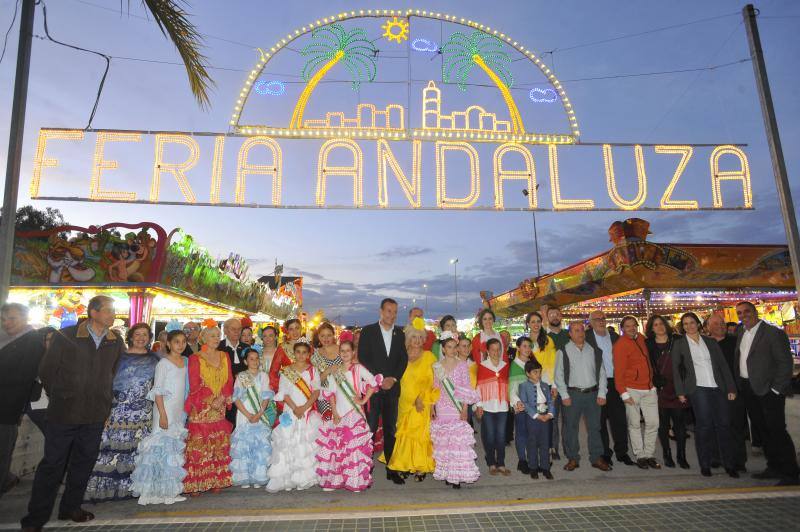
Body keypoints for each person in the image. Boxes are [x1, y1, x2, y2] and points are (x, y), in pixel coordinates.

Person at [22, 296, 124, 530]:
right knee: (53, 465)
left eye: (113, 311)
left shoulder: (115, 341)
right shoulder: (66, 335)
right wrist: (62, 395)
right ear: (94, 312)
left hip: (95, 414)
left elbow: (114, 372)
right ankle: (35, 517)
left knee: (83, 463)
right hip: (64, 413)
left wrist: (105, 399)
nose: (112, 315)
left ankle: (71, 507)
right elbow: (47, 370)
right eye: (108, 310)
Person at [84, 323, 159, 502]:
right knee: (113, 450)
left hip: (144, 414)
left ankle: (135, 488)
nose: (141, 338)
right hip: (119, 411)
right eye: (137, 334)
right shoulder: (118, 358)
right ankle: (110, 489)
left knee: (139, 450)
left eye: (145, 335)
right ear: (131, 337)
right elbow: (107, 385)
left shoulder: (155, 359)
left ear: (150, 338)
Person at [735, 301, 799, 486]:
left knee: (777, 430)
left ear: (754, 312)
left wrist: (776, 389)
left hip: (769, 391)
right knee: (763, 431)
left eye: (746, 311)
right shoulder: (741, 332)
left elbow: (785, 363)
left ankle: (791, 472)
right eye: (739, 313)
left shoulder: (773, 333)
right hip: (749, 389)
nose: (743, 315)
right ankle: (774, 466)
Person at [672, 312, 738, 478]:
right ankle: (705, 464)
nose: (689, 326)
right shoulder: (679, 344)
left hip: (718, 387)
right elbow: (676, 370)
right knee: (704, 426)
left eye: (692, 322)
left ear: (698, 324)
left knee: (724, 425)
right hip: (698, 388)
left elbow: (723, 365)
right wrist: (680, 392)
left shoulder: (710, 341)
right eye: (685, 323)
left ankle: (729, 464)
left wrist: (731, 388)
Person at [130, 330, 189, 505]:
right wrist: (163, 414)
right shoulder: (163, 363)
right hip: (165, 410)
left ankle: (168, 491)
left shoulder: (184, 362)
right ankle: (151, 493)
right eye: (176, 342)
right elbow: (158, 391)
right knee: (160, 449)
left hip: (178, 411)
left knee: (171, 451)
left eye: (183, 341)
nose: (181, 345)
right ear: (168, 344)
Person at [316, 340, 380, 492]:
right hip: (339, 413)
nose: (345, 353)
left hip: (354, 414)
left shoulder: (358, 369)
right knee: (337, 448)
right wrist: (334, 412)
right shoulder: (335, 371)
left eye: (347, 351)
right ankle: (335, 480)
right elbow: (331, 394)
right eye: (342, 351)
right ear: (339, 353)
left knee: (353, 449)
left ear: (353, 353)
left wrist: (364, 399)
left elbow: (373, 382)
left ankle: (355, 480)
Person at [357, 298, 408, 485]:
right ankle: (365, 466)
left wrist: (393, 379)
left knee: (390, 429)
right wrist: (379, 378)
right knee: (369, 428)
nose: (392, 315)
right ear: (381, 311)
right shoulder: (368, 331)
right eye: (388, 311)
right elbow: (363, 356)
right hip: (373, 389)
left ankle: (391, 467)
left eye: (395, 312)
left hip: (392, 389)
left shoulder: (399, 333)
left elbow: (403, 359)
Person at [183, 325, 234, 495]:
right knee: (199, 443)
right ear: (204, 338)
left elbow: (229, 380)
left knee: (217, 443)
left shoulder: (224, 355)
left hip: (219, 405)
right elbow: (194, 383)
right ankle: (196, 481)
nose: (216, 338)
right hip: (201, 405)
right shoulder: (195, 357)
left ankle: (215, 479)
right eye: (212, 335)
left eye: (218, 335)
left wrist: (221, 398)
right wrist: (211, 400)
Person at [267, 338, 322, 492]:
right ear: (294, 353)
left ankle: (306, 477)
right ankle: (287, 478)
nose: (301, 355)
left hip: (307, 410)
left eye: (304, 352)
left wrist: (304, 407)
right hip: (290, 410)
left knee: (305, 444)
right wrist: (295, 408)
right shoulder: (287, 370)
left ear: (308, 354)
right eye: (298, 352)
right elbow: (283, 392)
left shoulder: (313, 370)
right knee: (288, 443)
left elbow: (316, 391)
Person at [554, 321, 610, 472]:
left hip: (593, 394)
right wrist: (564, 395)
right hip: (573, 395)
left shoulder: (593, 350)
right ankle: (573, 458)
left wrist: (602, 392)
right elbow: (558, 375)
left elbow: (602, 372)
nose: (580, 333)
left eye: (581, 330)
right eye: (576, 331)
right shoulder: (563, 351)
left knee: (595, 428)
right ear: (570, 334)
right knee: (570, 428)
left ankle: (596, 457)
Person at [0, 303, 43, 497]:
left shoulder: (33, 340)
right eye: (3, 319)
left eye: (12, 319)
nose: (7, 323)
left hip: (7, 407)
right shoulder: (4, 338)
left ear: (25, 318)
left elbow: (25, 374)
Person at [387, 320, 438, 481]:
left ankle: (420, 467)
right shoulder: (400, 355)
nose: (416, 340)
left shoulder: (429, 356)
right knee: (404, 436)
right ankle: (405, 464)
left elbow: (434, 381)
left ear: (424, 339)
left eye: (420, 337)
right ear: (408, 338)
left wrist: (421, 398)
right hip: (403, 402)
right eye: (413, 337)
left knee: (419, 436)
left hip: (420, 403)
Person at [431, 331, 480, 489]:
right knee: (445, 443)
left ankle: (457, 475)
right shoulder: (437, 367)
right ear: (443, 349)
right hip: (442, 406)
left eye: (454, 347)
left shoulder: (462, 365)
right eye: (449, 347)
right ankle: (447, 473)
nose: (452, 350)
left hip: (457, 407)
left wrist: (465, 409)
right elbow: (435, 387)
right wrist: (432, 406)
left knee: (456, 443)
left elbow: (466, 388)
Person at [585, 311, 632, 467]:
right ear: (590, 322)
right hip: (597, 384)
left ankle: (622, 452)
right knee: (599, 421)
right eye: (597, 319)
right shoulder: (586, 338)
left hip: (616, 382)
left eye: (603, 318)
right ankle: (605, 453)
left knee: (619, 419)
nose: (601, 321)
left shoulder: (615, 337)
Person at [613, 316, 660, 470]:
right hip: (632, 389)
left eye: (634, 325)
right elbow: (618, 372)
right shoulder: (620, 345)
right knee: (634, 424)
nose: (632, 328)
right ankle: (640, 455)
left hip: (649, 388)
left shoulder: (641, 338)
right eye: (628, 326)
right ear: (622, 329)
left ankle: (649, 453)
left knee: (653, 423)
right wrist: (623, 393)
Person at [645, 315, 689, 469]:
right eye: (655, 325)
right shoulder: (648, 343)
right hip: (660, 388)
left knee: (680, 424)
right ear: (651, 328)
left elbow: (687, 361)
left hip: (677, 386)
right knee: (663, 425)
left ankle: (682, 455)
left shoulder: (677, 339)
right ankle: (667, 454)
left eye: (661, 323)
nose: (659, 327)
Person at [230, 348, 276, 489]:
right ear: (245, 361)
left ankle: (258, 476)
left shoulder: (264, 376)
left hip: (259, 415)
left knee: (259, 447)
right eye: (251, 358)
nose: (255, 361)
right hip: (245, 414)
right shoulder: (241, 376)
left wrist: (259, 414)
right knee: (244, 446)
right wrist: (249, 415)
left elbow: (266, 397)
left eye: (257, 358)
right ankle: (244, 476)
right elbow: (236, 398)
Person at [707, 313, 748, 472]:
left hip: (734, 390)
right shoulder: (705, 344)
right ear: (708, 327)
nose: (721, 326)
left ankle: (739, 461)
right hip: (712, 390)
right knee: (714, 425)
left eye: (722, 323)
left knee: (736, 426)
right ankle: (717, 456)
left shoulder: (735, 342)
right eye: (716, 324)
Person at [525, 311, 559, 462]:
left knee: (551, 416)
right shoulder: (525, 342)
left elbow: (553, 363)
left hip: (547, 382)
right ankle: (537, 447)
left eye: (538, 321)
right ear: (528, 324)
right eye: (532, 321)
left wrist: (554, 384)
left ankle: (552, 447)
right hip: (531, 383)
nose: (536, 324)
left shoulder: (548, 340)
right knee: (535, 415)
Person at [475, 338, 510, 476]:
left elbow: (507, 385)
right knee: (489, 436)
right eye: (493, 349)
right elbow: (479, 387)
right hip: (487, 406)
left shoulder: (505, 365)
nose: (495, 352)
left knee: (501, 436)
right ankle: (491, 462)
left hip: (502, 407)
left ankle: (501, 463)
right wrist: (479, 405)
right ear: (488, 351)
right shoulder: (483, 366)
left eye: (498, 349)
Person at [518, 359, 555, 480]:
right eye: (535, 372)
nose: (538, 375)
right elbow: (525, 403)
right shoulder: (523, 386)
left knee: (545, 443)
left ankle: (545, 468)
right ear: (528, 373)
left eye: (539, 372)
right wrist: (537, 416)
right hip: (532, 418)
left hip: (545, 417)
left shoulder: (544, 385)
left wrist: (549, 414)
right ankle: (533, 468)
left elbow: (550, 401)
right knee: (532, 443)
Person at [510, 336, 534, 473]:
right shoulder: (515, 365)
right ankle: (522, 460)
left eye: (529, 346)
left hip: (534, 405)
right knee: (521, 433)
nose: (527, 349)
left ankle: (532, 459)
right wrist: (517, 403)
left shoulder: (532, 363)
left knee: (533, 433)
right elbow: (512, 389)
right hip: (521, 405)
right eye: (524, 346)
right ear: (518, 348)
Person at [311, 322, 343, 422]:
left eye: (329, 335)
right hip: (325, 397)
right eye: (322, 335)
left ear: (333, 335)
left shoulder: (342, 350)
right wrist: (327, 372)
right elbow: (315, 382)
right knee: (329, 428)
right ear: (318, 336)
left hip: (344, 394)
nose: (326, 338)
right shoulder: (315, 355)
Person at [268, 318, 305, 393]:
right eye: (291, 329)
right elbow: (273, 372)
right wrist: (281, 389)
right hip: (288, 392)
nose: (295, 332)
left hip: (307, 391)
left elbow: (315, 370)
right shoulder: (282, 348)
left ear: (301, 328)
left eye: (297, 328)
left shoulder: (309, 347)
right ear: (287, 331)